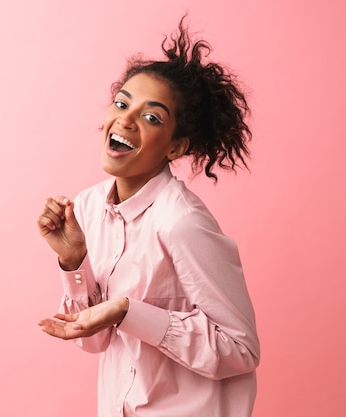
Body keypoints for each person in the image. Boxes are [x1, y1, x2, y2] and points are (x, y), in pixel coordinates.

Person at [37, 16, 260, 417]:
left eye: (152, 117)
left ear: (176, 148)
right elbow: (92, 341)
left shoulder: (181, 222)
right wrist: (73, 261)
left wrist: (130, 312)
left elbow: (241, 350)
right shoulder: (87, 208)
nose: (125, 119)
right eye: (122, 103)